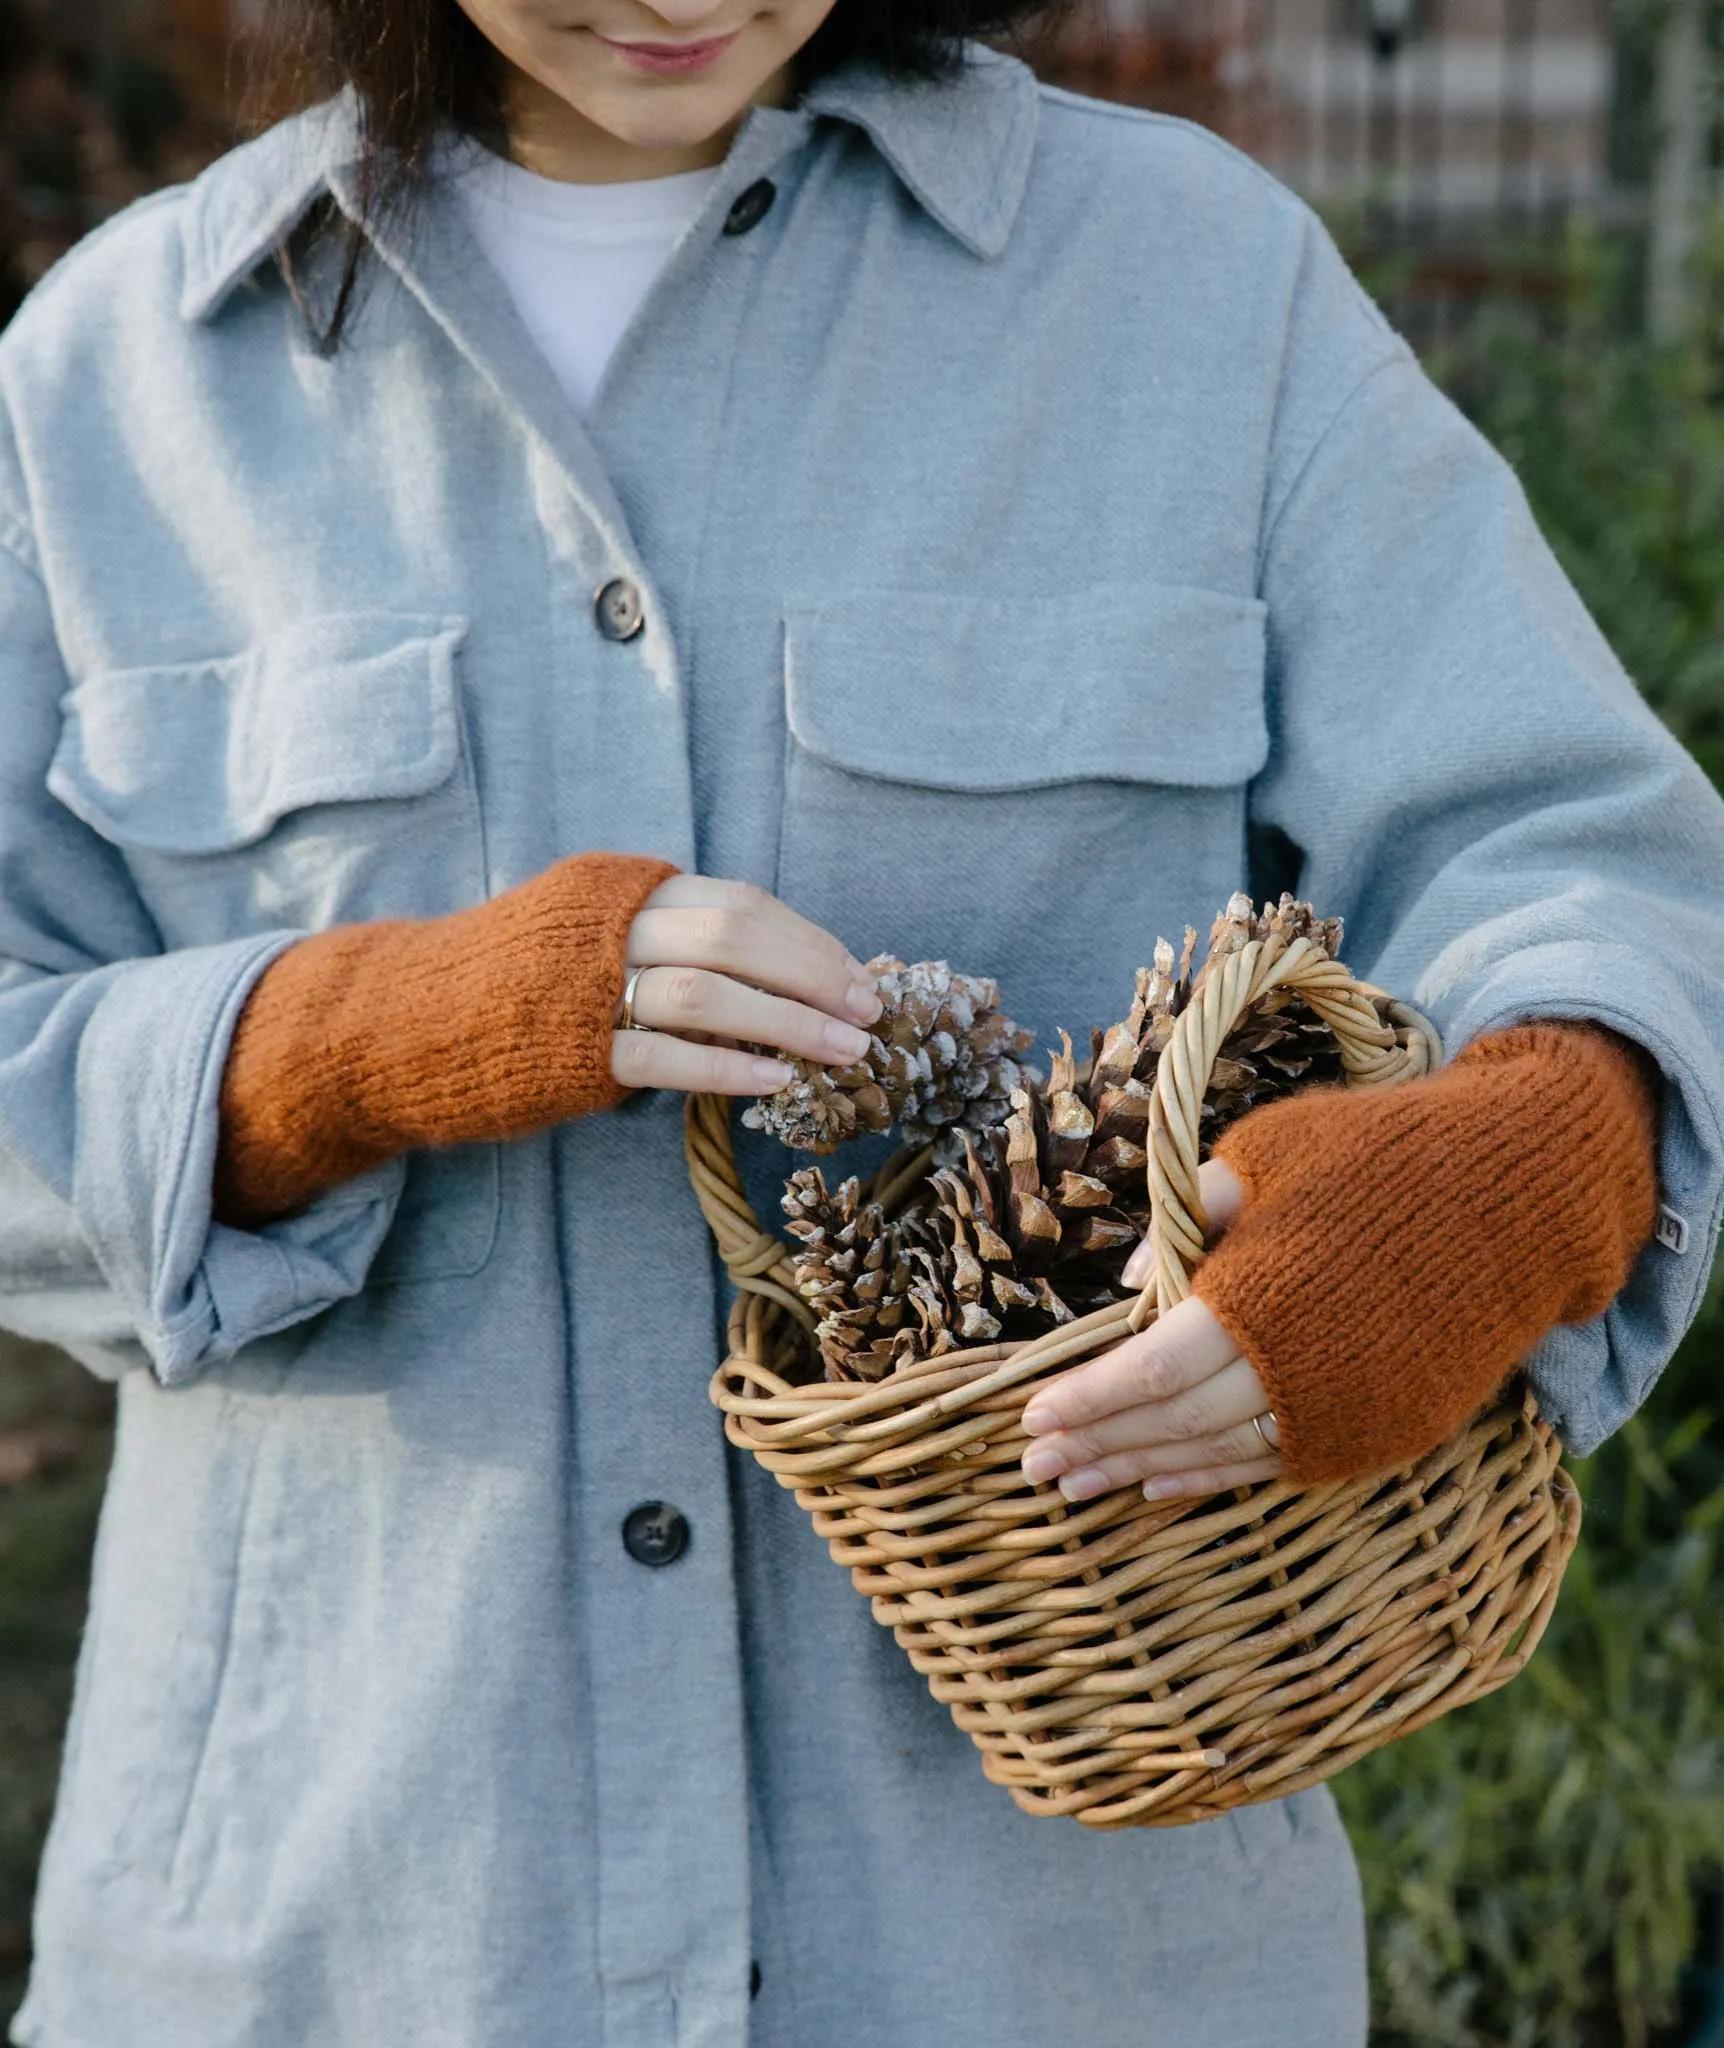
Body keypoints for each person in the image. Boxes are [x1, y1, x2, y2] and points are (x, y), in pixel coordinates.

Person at [1, 2, 1720, 2043]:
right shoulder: (116, 377)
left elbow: (1595, 862)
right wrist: (353, 1040)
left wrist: (1512, 1162)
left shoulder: (1190, 287)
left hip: (1062, 1960)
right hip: (347, 1947)